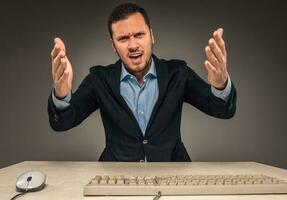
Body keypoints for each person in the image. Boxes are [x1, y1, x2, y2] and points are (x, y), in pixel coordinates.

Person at [48, 3, 236, 162]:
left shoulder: (178, 73)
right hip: (116, 180)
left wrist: (220, 84)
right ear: (113, 45)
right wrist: (61, 93)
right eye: (123, 38)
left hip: (173, 174)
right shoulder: (99, 79)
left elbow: (222, 110)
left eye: (139, 35)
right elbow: (62, 123)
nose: (133, 45)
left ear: (151, 36)